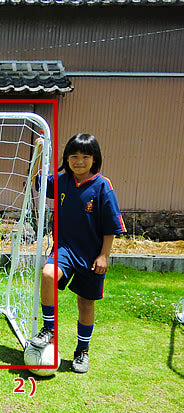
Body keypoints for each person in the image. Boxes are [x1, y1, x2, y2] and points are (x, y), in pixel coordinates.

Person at [30, 133, 127, 373]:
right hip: (64, 247)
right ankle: (49, 329)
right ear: (67, 158)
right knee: (48, 274)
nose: (79, 161)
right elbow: (38, 182)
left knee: (85, 303)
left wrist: (104, 255)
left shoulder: (103, 185)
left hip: (92, 254)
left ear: (95, 159)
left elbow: (110, 225)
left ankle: (82, 351)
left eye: (85, 156)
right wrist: (38, 153)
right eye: (74, 156)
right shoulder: (62, 181)